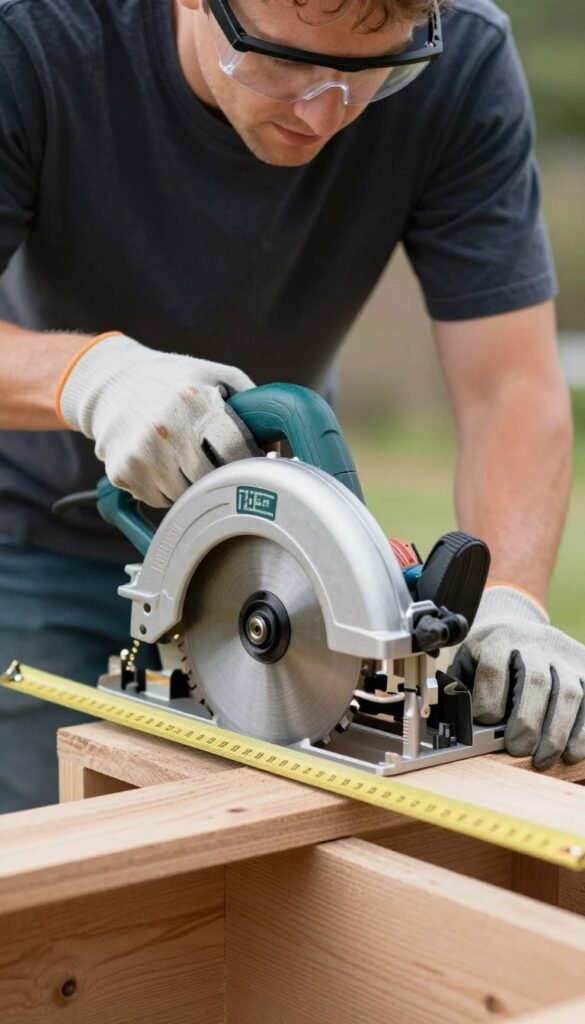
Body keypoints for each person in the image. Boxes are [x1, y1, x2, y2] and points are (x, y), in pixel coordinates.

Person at [0, 0, 582, 813]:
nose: (321, 112)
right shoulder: (32, 35)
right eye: (280, 62)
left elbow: (507, 385)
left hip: (283, 562)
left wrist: (509, 600)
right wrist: (89, 377)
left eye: (368, 73)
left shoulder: (463, 57)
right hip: (34, 532)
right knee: (61, 858)